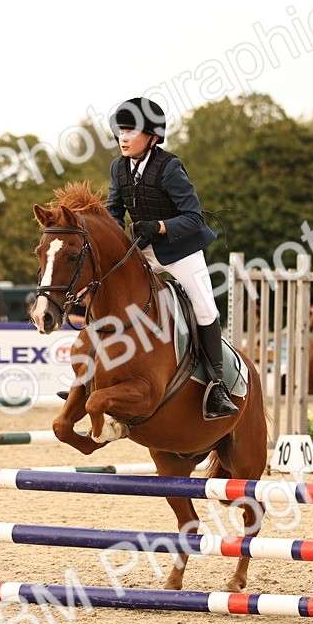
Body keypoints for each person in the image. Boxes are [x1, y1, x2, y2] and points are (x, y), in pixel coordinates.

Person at [104, 96, 238, 420]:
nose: (123, 137)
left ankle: (217, 387)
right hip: (143, 252)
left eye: (130, 131)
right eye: (120, 130)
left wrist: (159, 226)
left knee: (205, 308)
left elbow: (193, 217)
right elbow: (112, 212)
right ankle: (94, 375)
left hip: (180, 251)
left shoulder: (169, 167)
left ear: (151, 136)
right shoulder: (118, 168)